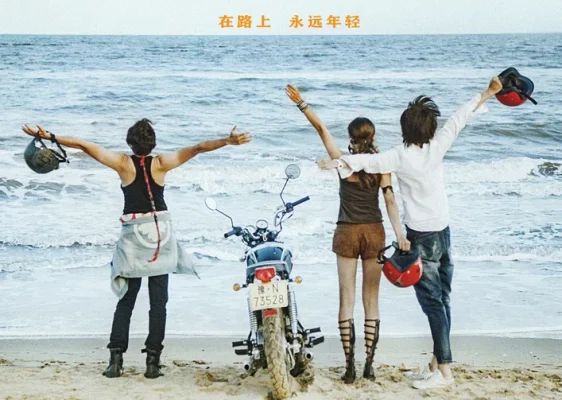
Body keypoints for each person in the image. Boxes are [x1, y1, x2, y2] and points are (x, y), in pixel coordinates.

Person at [21, 121, 252, 379]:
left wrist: (49, 136)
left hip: (133, 237)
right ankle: (152, 364)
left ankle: (115, 362)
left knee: (126, 301)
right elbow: (198, 148)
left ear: (130, 142)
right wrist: (227, 141)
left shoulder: (122, 163)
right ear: (153, 142)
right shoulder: (162, 163)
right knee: (158, 303)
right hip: (160, 237)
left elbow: (83, 145)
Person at [317, 77, 503, 389]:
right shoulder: (439, 145)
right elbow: (460, 117)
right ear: (431, 128)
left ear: (405, 130)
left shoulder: (399, 156)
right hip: (443, 232)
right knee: (443, 299)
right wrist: (488, 92)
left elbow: (367, 162)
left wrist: (337, 163)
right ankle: (435, 363)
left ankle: (444, 371)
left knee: (432, 304)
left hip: (421, 238)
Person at [285, 84, 410, 384]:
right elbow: (390, 201)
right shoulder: (382, 167)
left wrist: (302, 103)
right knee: (371, 300)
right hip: (374, 232)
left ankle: (349, 366)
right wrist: (400, 234)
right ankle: (369, 365)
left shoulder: (343, 162)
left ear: (352, 139)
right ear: (373, 137)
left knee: (346, 299)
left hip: (346, 233)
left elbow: (320, 128)